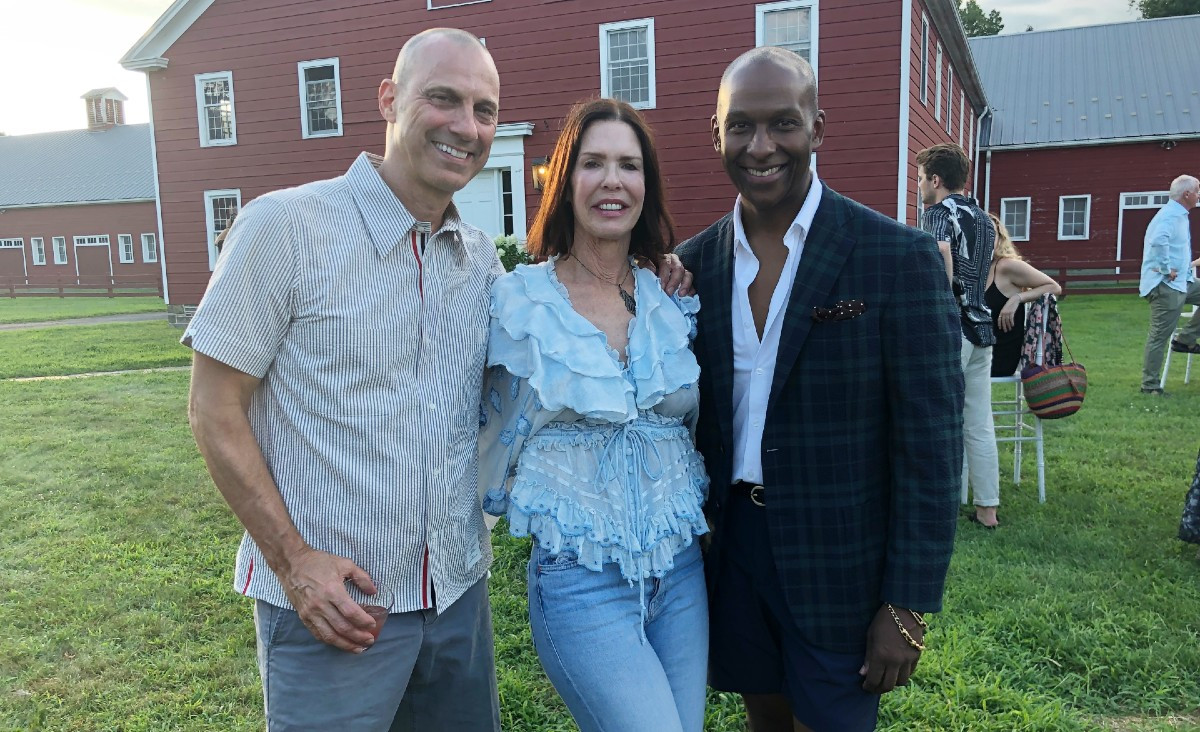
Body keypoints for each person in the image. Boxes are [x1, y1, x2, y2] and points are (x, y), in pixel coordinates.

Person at [183, 28, 507, 731]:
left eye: (484, 110)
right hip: (335, 610)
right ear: (389, 99)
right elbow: (213, 408)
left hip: (458, 600)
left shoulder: (480, 260)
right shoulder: (284, 228)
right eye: (443, 99)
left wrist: (654, 272)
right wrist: (293, 562)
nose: (466, 126)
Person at [675, 47, 964, 732]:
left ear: (818, 128)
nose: (761, 145)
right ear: (716, 134)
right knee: (765, 722)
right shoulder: (692, 268)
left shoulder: (896, 257)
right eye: (740, 126)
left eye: (783, 123)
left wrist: (907, 602)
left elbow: (933, 446)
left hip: (842, 558)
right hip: (734, 549)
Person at [478, 98, 710, 732]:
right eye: (593, 163)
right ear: (564, 180)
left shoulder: (673, 296)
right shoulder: (520, 302)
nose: (613, 181)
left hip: (681, 573)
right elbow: (476, 429)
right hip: (580, 581)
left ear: (646, 184)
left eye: (629, 165)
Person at [917, 142, 1001, 529]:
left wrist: (943, 300)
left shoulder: (937, 212)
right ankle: (987, 509)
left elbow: (940, 250)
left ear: (936, 180)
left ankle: (936, 503)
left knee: (936, 419)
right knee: (979, 422)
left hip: (952, 328)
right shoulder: (984, 219)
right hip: (982, 326)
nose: (920, 185)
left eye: (921, 178)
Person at [1138, 174, 1200, 395]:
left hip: (1183, 282)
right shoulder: (1169, 215)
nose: (1199, 195)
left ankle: (1186, 339)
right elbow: (1158, 241)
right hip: (1165, 286)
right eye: (1197, 191)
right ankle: (1150, 386)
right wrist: (1166, 268)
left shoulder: (1180, 215)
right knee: (1159, 336)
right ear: (1187, 194)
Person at [985, 213, 1062, 377]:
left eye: (991, 234)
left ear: (1000, 238)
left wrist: (1017, 298)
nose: (986, 238)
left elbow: (1054, 287)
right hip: (975, 350)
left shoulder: (1006, 266)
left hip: (998, 357)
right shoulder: (971, 270)